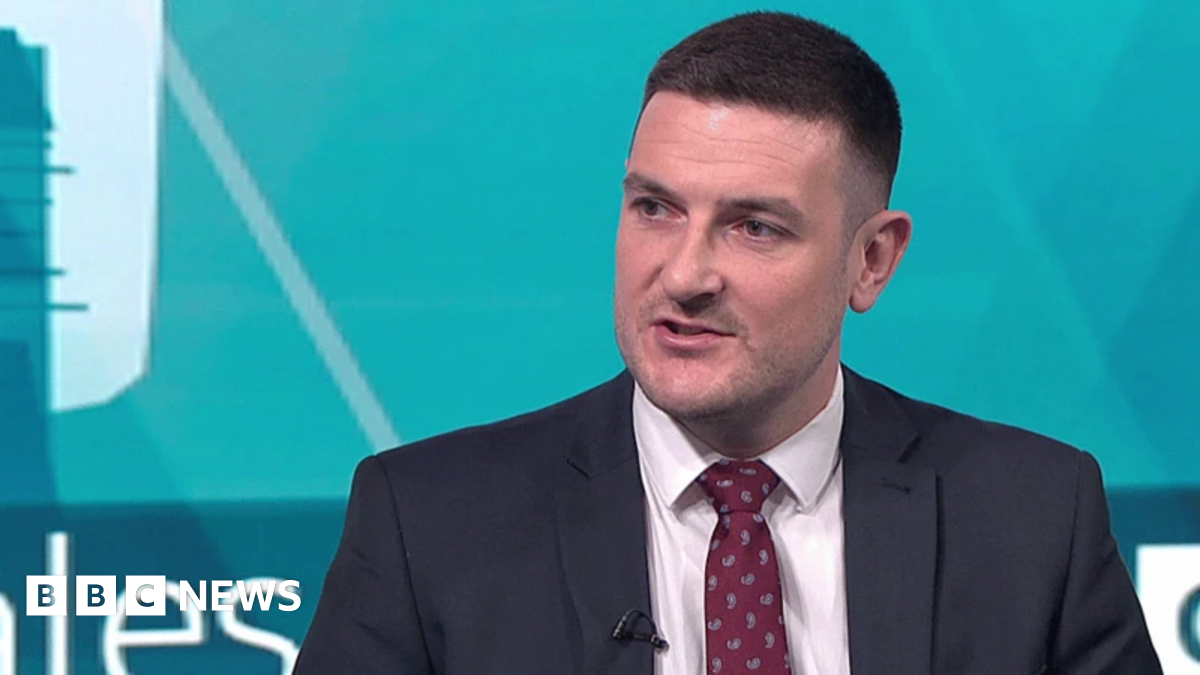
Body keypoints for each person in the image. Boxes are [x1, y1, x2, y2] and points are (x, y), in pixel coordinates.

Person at [294, 11, 1162, 675]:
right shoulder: (428, 523)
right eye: (655, 208)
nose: (683, 274)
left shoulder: (1036, 517)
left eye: (754, 226)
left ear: (871, 260)